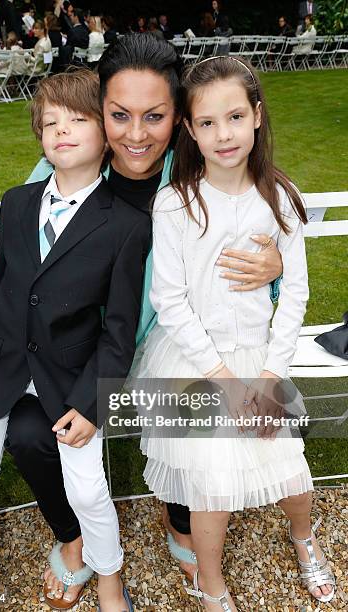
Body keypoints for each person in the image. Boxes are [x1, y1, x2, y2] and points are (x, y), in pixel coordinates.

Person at [0, 34, 283, 606]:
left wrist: (270, 266)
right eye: (119, 115)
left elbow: (254, 238)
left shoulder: (195, 174)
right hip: (73, 350)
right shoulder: (70, 163)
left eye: (155, 116)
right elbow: (7, 237)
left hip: (163, 342)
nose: (135, 134)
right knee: (28, 433)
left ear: (178, 119)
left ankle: (178, 520)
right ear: (99, 115)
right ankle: (73, 539)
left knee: (194, 411)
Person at [131, 55, 336, 609]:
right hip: (197, 364)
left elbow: (294, 293)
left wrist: (270, 376)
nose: (224, 134)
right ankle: (212, 582)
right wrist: (223, 380)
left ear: (257, 117)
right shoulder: (176, 203)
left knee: (291, 471)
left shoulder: (282, 200)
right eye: (206, 122)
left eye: (235, 117)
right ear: (190, 132)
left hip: (260, 357)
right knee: (211, 484)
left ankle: (304, 540)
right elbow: (168, 300)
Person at [0, 69, 149, 612]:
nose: (60, 130)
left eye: (77, 119)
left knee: (87, 490)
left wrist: (92, 402)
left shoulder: (126, 224)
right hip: (0, 366)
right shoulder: (16, 202)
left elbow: (119, 330)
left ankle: (109, 577)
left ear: (106, 133)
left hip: (69, 380)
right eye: (49, 123)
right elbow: (3, 283)